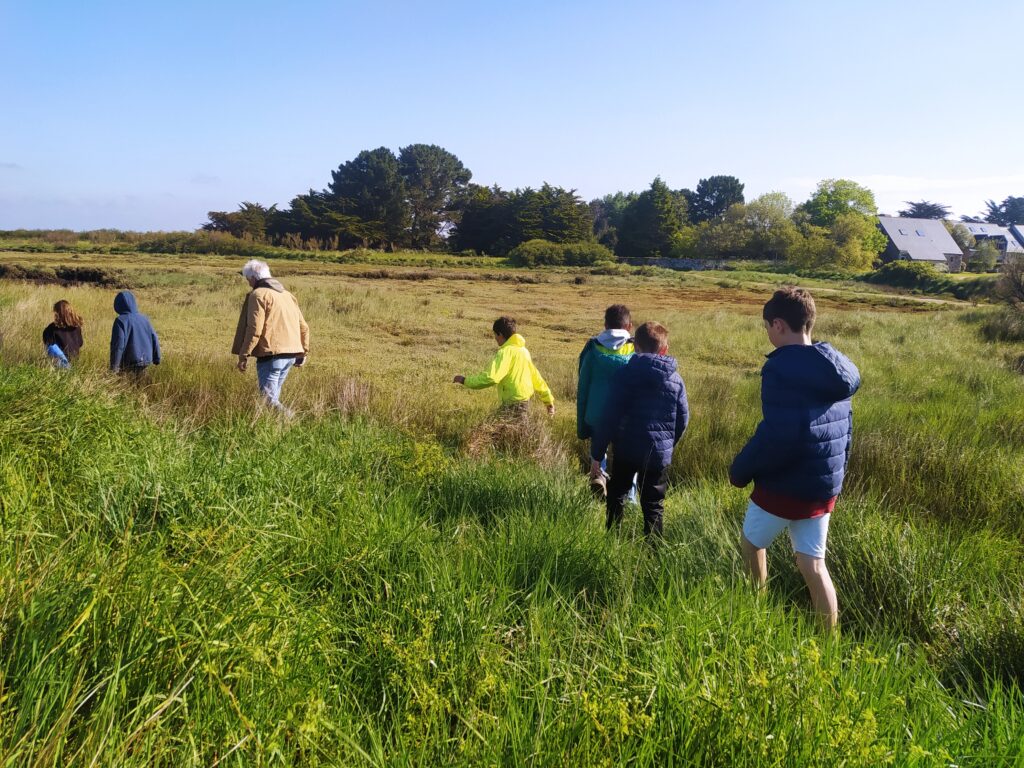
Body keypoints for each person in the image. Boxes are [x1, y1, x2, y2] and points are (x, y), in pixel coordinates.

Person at [729, 287, 860, 631]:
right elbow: (846, 430)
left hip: (784, 485)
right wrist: (835, 481)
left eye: (767, 327)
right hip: (822, 487)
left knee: (752, 544)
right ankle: (829, 644)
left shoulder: (780, 369)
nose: (768, 334)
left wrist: (740, 471)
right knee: (813, 564)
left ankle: (755, 615)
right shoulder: (836, 370)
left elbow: (777, 435)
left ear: (779, 325)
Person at [589, 321, 689, 540]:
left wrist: (597, 454)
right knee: (653, 505)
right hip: (657, 454)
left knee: (616, 495)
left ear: (635, 347)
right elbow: (683, 420)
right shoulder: (676, 380)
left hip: (626, 449)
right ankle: (654, 553)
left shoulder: (623, 375)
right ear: (665, 349)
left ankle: (612, 542)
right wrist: (667, 445)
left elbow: (609, 418)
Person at [231, 259, 310, 414]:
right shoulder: (288, 295)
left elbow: (254, 329)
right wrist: (304, 351)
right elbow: (304, 326)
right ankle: (280, 427)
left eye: (248, 279)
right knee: (273, 398)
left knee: (268, 401)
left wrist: (244, 354)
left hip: (271, 355)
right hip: (290, 355)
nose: (248, 283)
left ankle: (292, 419)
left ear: (253, 278)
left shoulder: (258, 295)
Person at [577, 304, 634, 497]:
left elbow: (583, 387)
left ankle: (598, 478)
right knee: (627, 457)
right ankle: (628, 497)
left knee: (598, 451)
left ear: (605, 325)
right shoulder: (636, 349)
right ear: (629, 326)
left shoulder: (592, 349)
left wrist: (582, 425)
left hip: (597, 415)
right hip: (626, 417)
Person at [453, 316, 555, 417]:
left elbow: (491, 377)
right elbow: (536, 377)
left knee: (498, 427)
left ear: (500, 334)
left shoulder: (505, 352)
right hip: (525, 403)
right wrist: (548, 400)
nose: (495, 338)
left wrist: (465, 380)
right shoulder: (524, 351)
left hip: (512, 405)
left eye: (495, 334)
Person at [110, 290, 161, 376]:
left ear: (117, 305)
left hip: (129, 363)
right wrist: (157, 358)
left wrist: (114, 368)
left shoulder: (120, 321)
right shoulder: (145, 319)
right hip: (146, 361)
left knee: (127, 384)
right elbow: (154, 338)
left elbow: (118, 345)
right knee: (142, 383)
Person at [43, 299, 84, 368]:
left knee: (51, 347)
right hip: (75, 361)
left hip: (61, 363)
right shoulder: (77, 327)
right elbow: (80, 343)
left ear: (57, 313)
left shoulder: (52, 328)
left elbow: (48, 343)